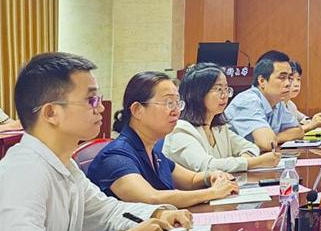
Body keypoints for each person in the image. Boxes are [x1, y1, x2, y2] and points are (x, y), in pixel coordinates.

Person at [0, 53, 192, 231]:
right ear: (51, 113)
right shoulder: (24, 169)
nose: (101, 107)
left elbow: (105, 212)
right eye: (91, 100)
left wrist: (157, 215)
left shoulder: (64, 164)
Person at [88, 72, 239, 208]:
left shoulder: (153, 151)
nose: (176, 111)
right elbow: (152, 198)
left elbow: (192, 180)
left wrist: (212, 176)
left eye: (177, 103)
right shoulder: (116, 156)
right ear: (137, 110)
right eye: (168, 103)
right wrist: (213, 192)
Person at [162, 63, 281, 173]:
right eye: (218, 89)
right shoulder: (180, 130)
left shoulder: (219, 128)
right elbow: (207, 166)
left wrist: (243, 160)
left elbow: (250, 147)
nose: (225, 95)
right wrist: (254, 162)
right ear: (198, 93)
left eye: (226, 89)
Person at [225, 50, 304, 151]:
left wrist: (275, 138)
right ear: (262, 81)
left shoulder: (278, 103)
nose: (288, 83)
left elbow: (299, 131)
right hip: (233, 159)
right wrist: (275, 139)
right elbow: (267, 144)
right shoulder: (248, 101)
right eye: (282, 77)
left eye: (290, 78)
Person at [286, 60, 321, 133]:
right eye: (291, 79)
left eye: (298, 79)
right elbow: (285, 133)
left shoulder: (291, 105)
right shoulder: (277, 105)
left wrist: (313, 120)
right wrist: (309, 126)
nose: (296, 84)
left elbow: (305, 119)